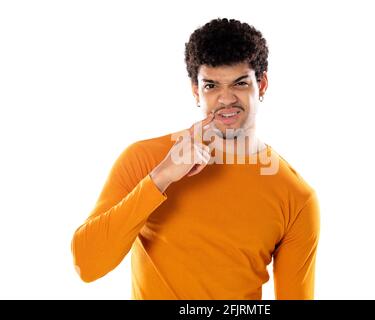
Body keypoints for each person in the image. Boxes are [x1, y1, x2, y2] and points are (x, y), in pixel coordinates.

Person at [71, 18, 320, 300]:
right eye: (211, 86)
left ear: (261, 84)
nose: (226, 99)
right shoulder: (144, 159)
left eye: (239, 83)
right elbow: (87, 264)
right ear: (195, 90)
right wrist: (161, 177)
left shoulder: (296, 197)